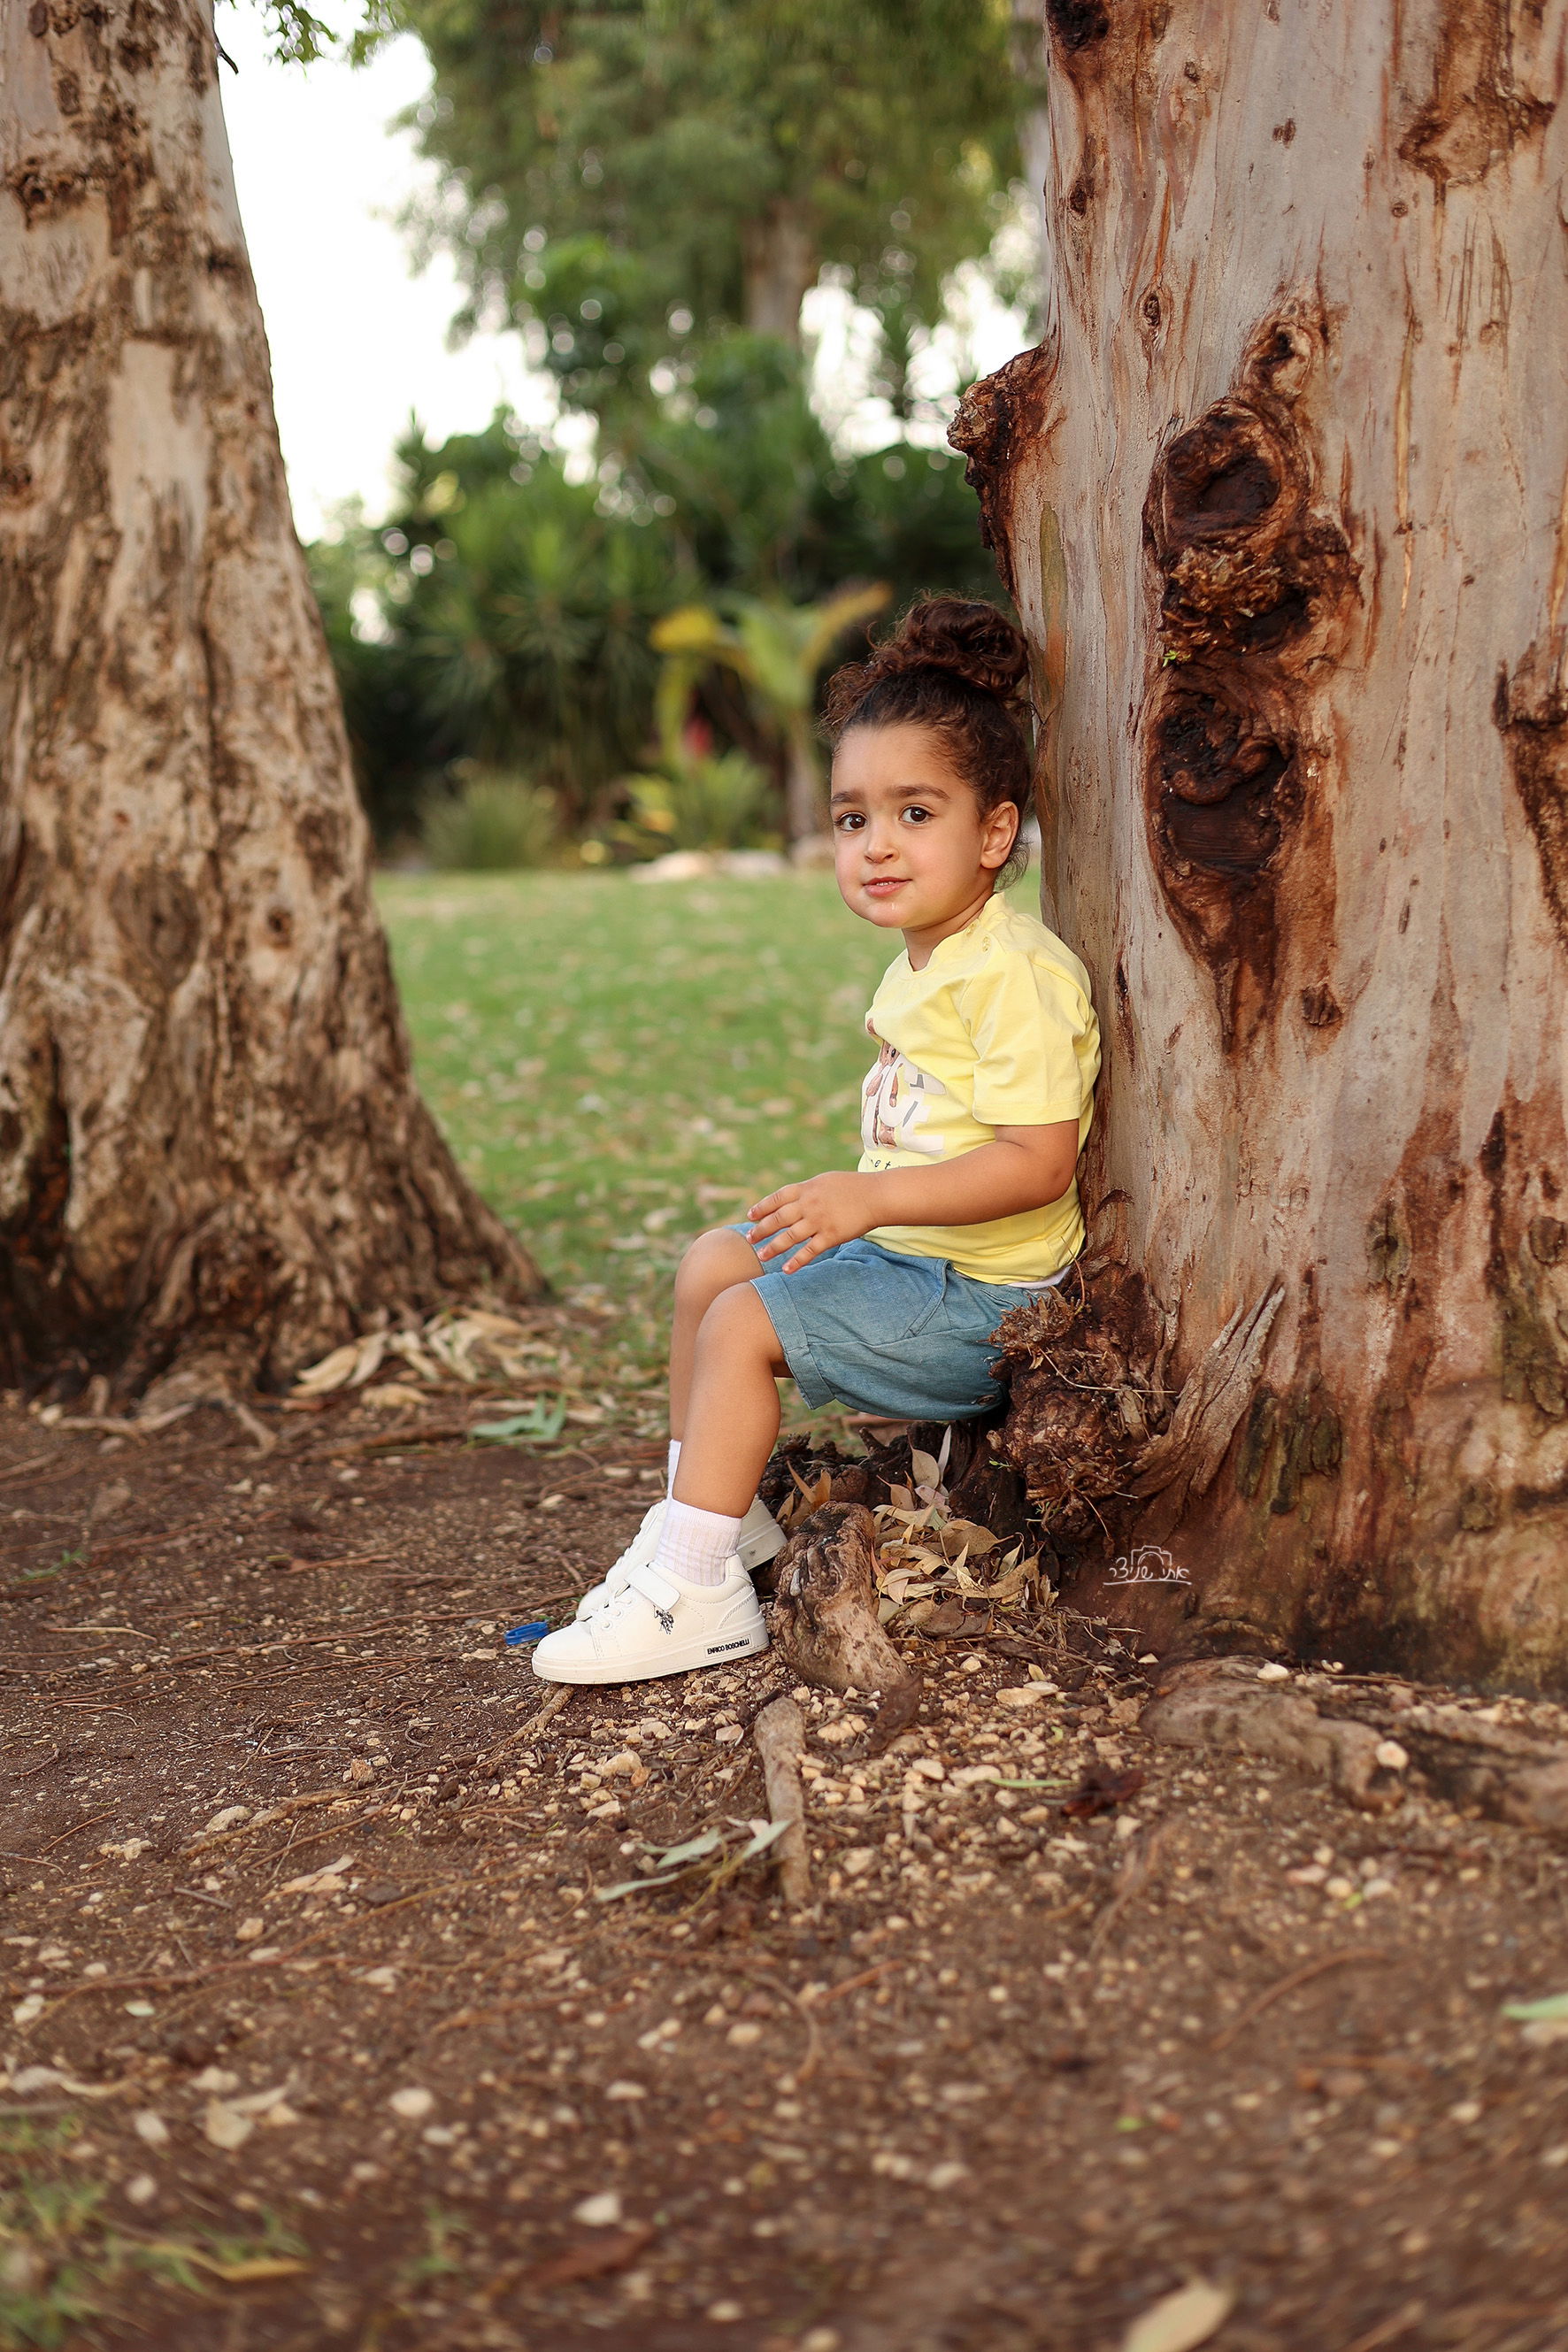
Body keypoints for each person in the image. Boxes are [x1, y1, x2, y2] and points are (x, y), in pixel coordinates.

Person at [532, 598, 1101, 1686]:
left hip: (982, 1301)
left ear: (994, 833)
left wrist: (867, 1200)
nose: (876, 843)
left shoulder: (1015, 974)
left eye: (915, 812)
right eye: (852, 819)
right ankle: (715, 1521)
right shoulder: (926, 957)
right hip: (912, 1262)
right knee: (711, 1264)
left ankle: (696, 1602)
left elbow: (1039, 1163)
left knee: (746, 1321)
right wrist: (862, 1207)